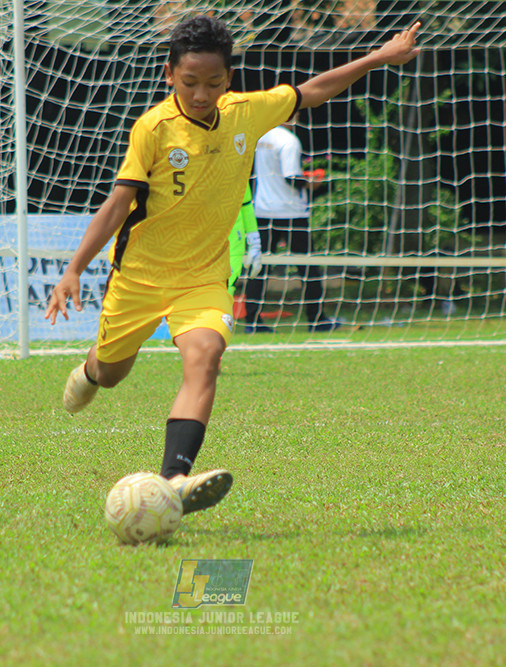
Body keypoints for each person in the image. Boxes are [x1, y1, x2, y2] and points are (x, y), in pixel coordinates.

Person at [45, 15, 421, 516]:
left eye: (214, 83)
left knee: (206, 357)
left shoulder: (246, 113)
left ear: (230, 80)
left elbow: (313, 91)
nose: (202, 94)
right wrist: (73, 269)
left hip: (203, 278)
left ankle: (174, 478)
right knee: (112, 373)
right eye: (190, 82)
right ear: (169, 75)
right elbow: (117, 205)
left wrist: (379, 56)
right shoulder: (153, 129)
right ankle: (91, 369)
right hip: (138, 279)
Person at [244, 113, 342, 333]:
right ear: (292, 115)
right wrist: (313, 183)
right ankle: (317, 320)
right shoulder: (289, 141)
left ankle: (252, 322)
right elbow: (291, 179)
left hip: (263, 210)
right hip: (290, 213)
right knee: (308, 268)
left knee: (259, 266)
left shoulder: (261, 137)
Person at [228, 184, 261, 297]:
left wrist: (255, 242)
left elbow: (246, 204)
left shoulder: (235, 167)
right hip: (191, 242)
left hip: (231, 244)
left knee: (225, 292)